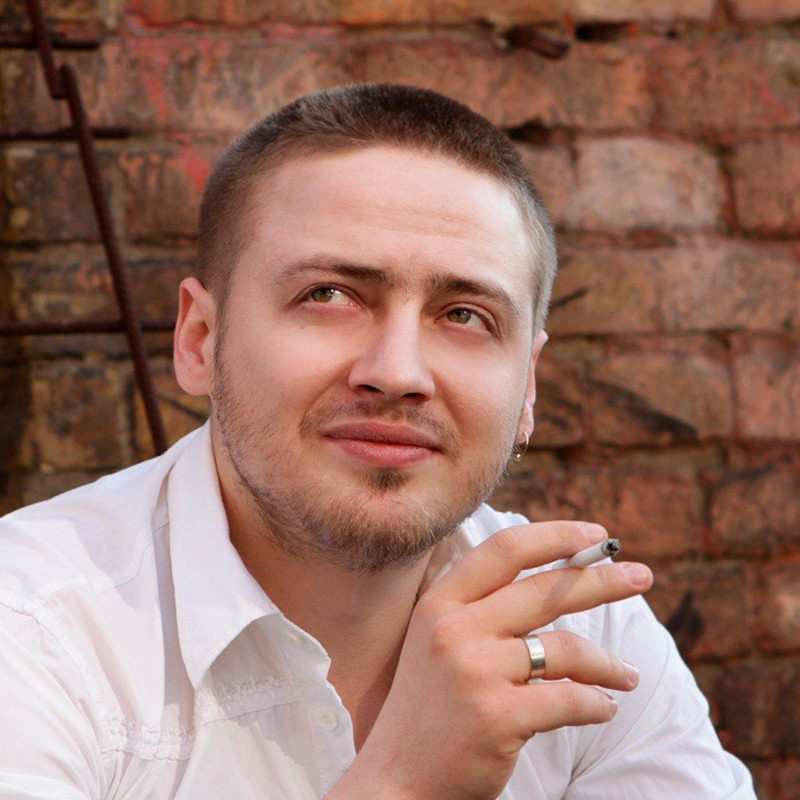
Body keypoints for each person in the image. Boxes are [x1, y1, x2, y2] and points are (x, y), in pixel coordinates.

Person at [0, 83, 756, 800]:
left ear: (527, 384)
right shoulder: (33, 628)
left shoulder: (578, 625)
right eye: (328, 295)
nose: (397, 373)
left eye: (465, 315)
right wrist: (404, 781)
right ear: (200, 340)